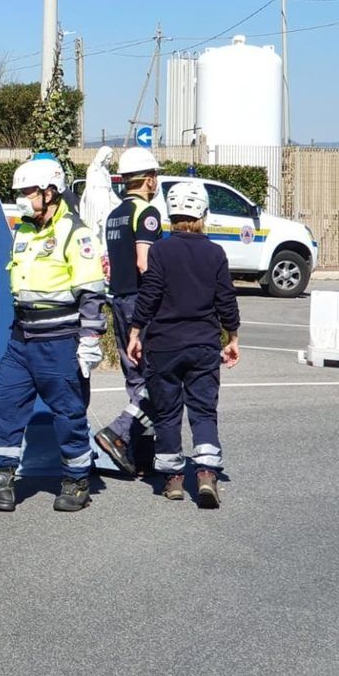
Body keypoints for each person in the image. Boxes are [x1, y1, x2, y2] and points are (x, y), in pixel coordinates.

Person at [0, 154, 108, 512]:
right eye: (19, 193)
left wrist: (90, 339)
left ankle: (76, 482)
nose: (22, 199)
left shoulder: (76, 233)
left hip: (59, 341)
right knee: (5, 407)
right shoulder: (24, 230)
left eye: (28, 192)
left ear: (49, 192)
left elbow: (91, 291)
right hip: (21, 339)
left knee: (68, 413)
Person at [126, 181, 240, 508]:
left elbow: (149, 295)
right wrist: (232, 336)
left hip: (164, 345)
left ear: (170, 214)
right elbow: (226, 299)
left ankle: (173, 479)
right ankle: (206, 473)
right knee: (203, 410)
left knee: (167, 412)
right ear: (204, 213)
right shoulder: (215, 253)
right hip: (203, 344)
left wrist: (135, 332)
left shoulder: (160, 251)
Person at [95, 147, 164, 476]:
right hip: (141, 302)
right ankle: (119, 431)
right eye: (155, 176)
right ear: (148, 179)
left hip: (119, 300)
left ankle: (139, 456)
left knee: (136, 378)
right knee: (159, 377)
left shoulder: (114, 215)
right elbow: (144, 263)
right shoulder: (147, 213)